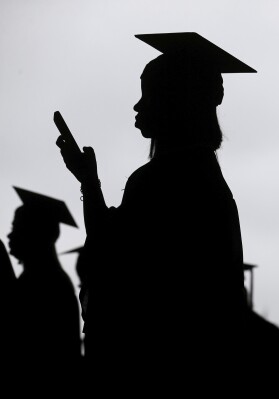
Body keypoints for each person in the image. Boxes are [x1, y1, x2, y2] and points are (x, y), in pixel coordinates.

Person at [55, 32, 253, 392]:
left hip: (155, 372)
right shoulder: (201, 176)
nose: (138, 106)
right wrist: (89, 182)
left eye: (149, 95)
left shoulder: (163, 180)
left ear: (177, 102)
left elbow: (108, 259)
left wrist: (89, 185)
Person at [5, 187, 82, 390]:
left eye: (17, 228)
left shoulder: (47, 285)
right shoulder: (47, 279)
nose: (10, 236)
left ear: (37, 235)